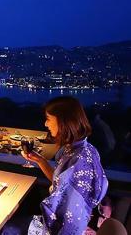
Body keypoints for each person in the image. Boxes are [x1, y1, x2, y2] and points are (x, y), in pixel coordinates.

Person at [22, 96, 108, 235]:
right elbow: (60, 184)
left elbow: (68, 218)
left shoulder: (78, 161)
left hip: (62, 228)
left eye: (48, 118)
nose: (45, 124)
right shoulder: (84, 148)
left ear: (63, 122)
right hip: (71, 222)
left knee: (9, 226)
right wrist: (40, 160)